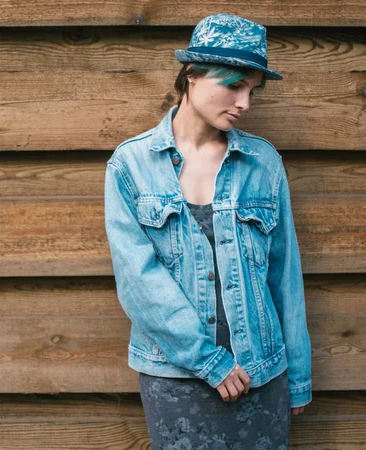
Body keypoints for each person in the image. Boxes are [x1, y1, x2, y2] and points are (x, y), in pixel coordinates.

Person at [104, 13, 312, 448]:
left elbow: (284, 275)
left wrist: (298, 376)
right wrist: (210, 363)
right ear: (192, 76)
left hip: (262, 372)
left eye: (252, 90)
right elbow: (138, 280)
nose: (245, 103)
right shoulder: (131, 165)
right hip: (177, 378)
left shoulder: (263, 162)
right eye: (235, 85)